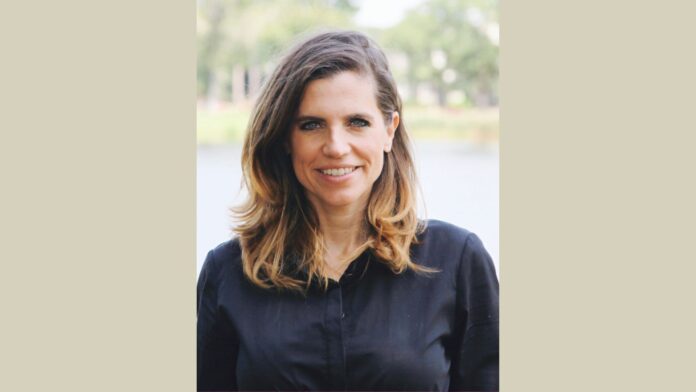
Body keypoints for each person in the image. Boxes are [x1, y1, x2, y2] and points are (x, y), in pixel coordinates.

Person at [197, 30, 499, 391]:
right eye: (311, 125)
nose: (336, 147)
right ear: (284, 139)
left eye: (357, 122)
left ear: (389, 130)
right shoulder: (229, 272)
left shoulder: (458, 261)